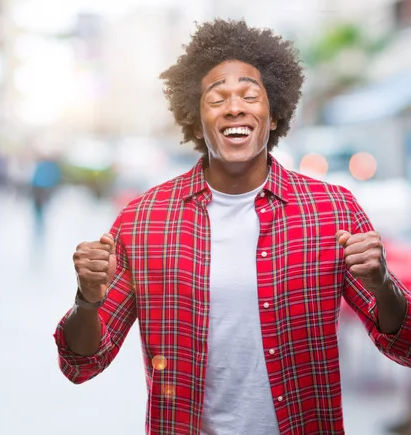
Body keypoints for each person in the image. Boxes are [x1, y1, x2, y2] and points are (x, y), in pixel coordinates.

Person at [53, 19, 411, 435]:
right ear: (196, 118)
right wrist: (87, 300)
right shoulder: (143, 221)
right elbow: (81, 362)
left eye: (249, 95)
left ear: (273, 115)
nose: (234, 107)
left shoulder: (331, 210)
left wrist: (383, 282)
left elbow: (405, 345)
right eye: (217, 97)